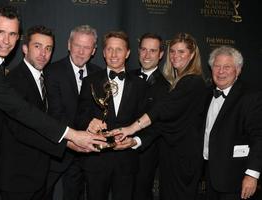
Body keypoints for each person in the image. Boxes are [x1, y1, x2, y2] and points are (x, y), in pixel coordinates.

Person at [0, 5, 106, 200]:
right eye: (1, 32)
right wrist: (70, 138)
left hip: (2, 168)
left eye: (12, 34)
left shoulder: (32, 73)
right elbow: (21, 111)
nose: (6, 40)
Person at [107, 33, 207, 200]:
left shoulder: (186, 83)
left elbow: (161, 113)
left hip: (175, 157)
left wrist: (133, 132)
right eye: (173, 51)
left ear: (192, 55)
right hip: (164, 156)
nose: (176, 56)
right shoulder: (176, 81)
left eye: (181, 52)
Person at [0, 25, 64, 200]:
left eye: (48, 48)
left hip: (39, 175)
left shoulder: (45, 77)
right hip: (17, 178)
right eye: (37, 46)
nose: (43, 53)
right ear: (25, 48)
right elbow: (21, 129)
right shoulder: (13, 81)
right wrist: (66, 141)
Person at [75, 31, 147, 200]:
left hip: (126, 162)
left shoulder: (140, 85)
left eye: (119, 50)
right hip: (96, 161)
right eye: (109, 49)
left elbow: (147, 121)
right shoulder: (89, 81)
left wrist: (135, 141)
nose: (114, 55)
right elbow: (79, 117)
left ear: (128, 53)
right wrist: (89, 123)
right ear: (103, 52)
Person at [44, 24, 101, 200]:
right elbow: (55, 113)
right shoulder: (52, 71)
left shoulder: (99, 74)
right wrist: (74, 139)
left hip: (87, 156)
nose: (81, 52)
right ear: (69, 45)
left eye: (87, 47)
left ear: (94, 50)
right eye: (77, 45)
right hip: (58, 150)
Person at [202, 46, 262, 200]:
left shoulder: (250, 97)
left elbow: (259, 137)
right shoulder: (207, 93)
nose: (221, 71)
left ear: (238, 70)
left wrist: (252, 175)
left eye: (227, 67)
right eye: (217, 66)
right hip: (210, 176)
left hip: (237, 181)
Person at [129, 33, 169, 200]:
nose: (147, 55)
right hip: (117, 153)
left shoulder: (166, 86)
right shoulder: (127, 76)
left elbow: (159, 124)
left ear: (160, 55)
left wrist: (137, 141)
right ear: (138, 51)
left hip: (145, 154)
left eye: (152, 51)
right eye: (143, 49)